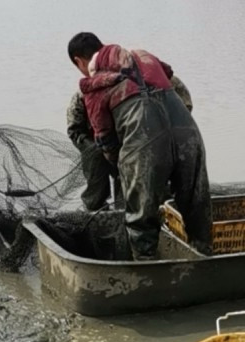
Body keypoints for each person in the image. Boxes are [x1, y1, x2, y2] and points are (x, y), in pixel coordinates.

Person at [68, 32, 212, 259]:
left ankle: (146, 271)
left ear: (79, 61)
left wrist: (122, 164)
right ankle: (205, 261)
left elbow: (105, 139)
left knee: (140, 221)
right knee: (197, 208)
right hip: (188, 134)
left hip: (144, 142)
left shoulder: (93, 86)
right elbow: (181, 94)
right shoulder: (144, 57)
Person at [66, 73, 194, 213]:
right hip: (98, 141)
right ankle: (96, 209)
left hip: (143, 138)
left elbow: (185, 109)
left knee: (143, 177)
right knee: (97, 168)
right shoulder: (90, 90)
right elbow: (74, 128)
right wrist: (98, 147)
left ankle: (151, 206)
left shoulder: (159, 80)